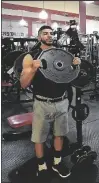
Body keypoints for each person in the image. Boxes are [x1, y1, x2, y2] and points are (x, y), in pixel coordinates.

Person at [20, 25, 81, 179]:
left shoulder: (62, 55)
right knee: (39, 138)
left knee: (59, 135)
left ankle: (57, 163)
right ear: (39, 37)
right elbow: (23, 84)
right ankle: (41, 166)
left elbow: (72, 77)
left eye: (51, 33)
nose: (49, 36)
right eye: (45, 33)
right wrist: (33, 69)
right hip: (42, 103)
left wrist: (75, 65)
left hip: (62, 102)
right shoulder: (31, 56)